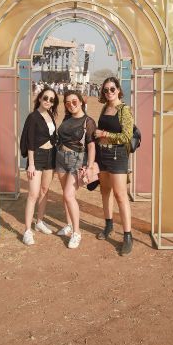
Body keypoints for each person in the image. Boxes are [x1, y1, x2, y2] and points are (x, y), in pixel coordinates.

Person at [93, 77, 134, 255]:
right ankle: (108, 225)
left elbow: (126, 137)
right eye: (105, 90)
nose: (108, 92)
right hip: (103, 155)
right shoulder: (104, 107)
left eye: (111, 89)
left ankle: (127, 236)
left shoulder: (124, 109)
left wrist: (104, 133)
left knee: (120, 195)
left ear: (118, 90)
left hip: (118, 155)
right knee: (105, 192)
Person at [54, 90, 97, 249]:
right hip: (60, 158)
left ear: (81, 102)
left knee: (69, 195)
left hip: (77, 160)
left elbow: (91, 146)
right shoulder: (67, 118)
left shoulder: (88, 121)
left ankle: (77, 233)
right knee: (65, 196)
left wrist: (90, 167)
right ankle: (69, 225)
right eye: (67, 102)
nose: (71, 105)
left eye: (74, 101)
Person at [20, 86, 59, 245]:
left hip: (51, 157)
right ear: (40, 98)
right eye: (46, 98)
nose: (48, 101)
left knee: (44, 191)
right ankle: (27, 231)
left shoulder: (50, 115)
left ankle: (40, 222)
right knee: (33, 194)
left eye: (51, 100)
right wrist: (31, 164)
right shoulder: (33, 116)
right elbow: (29, 141)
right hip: (36, 157)